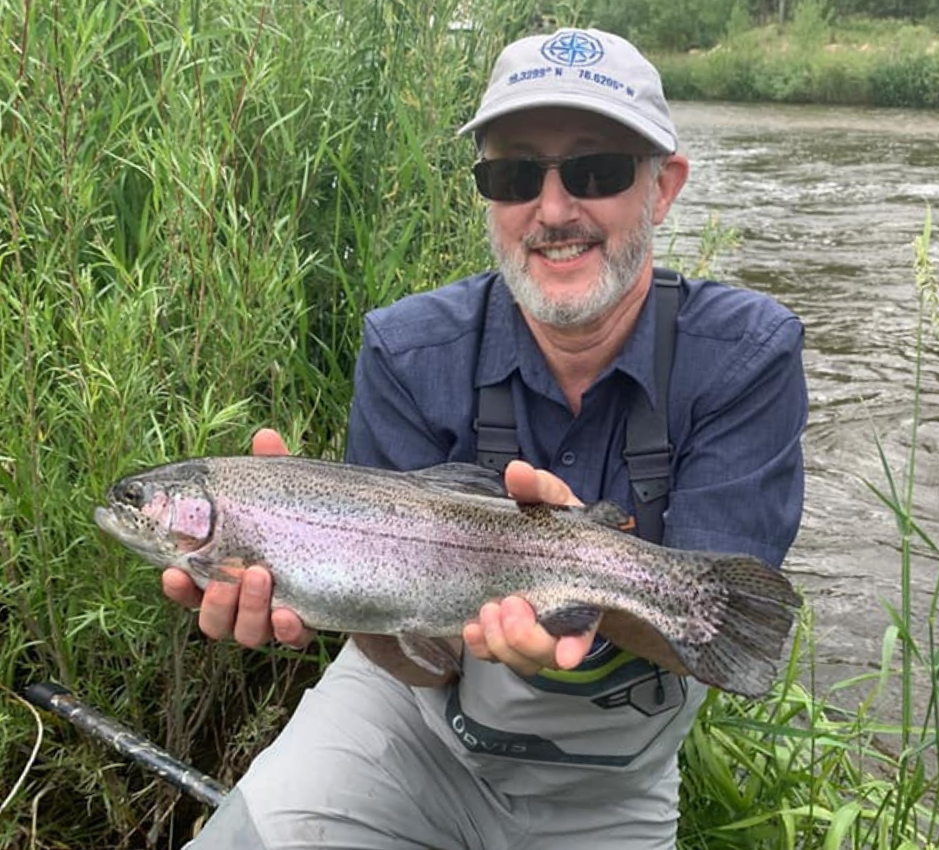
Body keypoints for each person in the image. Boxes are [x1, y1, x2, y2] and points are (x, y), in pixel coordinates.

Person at [166, 27, 808, 850]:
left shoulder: (748, 354)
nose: (552, 210)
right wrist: (311, 585)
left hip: (610, 784)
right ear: (488, 195)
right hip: (402, 732)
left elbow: (719, 635)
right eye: (513, 174)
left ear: (663, 187)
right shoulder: (407, 347)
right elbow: (417, 662)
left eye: (596, 170)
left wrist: (579, 575)